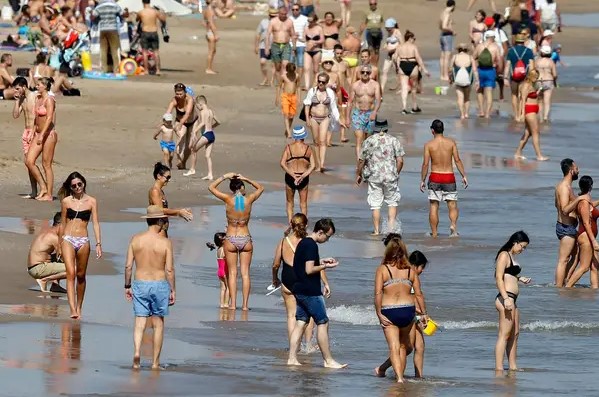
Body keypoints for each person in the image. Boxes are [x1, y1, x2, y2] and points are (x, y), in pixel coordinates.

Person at [287, 218, 346, 369]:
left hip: (299, 289)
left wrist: (322, 261)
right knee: (323, 322)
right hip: (310, 291)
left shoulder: (303, 242)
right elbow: (309, 269)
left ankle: (292, 358)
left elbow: (304, 263)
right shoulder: (311, 245)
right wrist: (326, 267)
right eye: (327, 236)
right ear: (320, 232)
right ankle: (328, 360)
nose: (327, 240)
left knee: (301, 322)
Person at [125, 205, 175, 370]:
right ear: (160, 221)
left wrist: (127, 285)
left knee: (140, 321)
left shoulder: (135, 239)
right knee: (158, 323)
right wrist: (173, 289)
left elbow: (128, 266)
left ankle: (137, 352)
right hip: (159, 283)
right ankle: (155, 363)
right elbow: (169, 269)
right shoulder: (165, 242)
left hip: (140, 282)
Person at [374, 236, 427, 383]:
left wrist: (378, 313)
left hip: (389, 311)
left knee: (394, 347)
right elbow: (418, 294)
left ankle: (399, 378)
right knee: (404, 346)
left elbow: (378, 293)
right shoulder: (411, 270)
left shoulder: (382, 269)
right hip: (407, 311)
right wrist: (424, 314)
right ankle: (401, 375)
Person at [209, 173, 264, 310]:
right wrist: (247, 178)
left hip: (231, 238)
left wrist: (225, 176)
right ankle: (245, 305)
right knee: (245, 274)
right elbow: (261, 188)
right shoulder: (249, 199)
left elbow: (211, 187)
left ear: (232, 189)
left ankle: (232, 305)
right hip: (245, 237)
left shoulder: (228, 199)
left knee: (232, 273)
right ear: (242, 187)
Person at [272, 213, 320, 351]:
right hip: (304, 279)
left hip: (287, 278)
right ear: (306, 225)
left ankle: (294, 346)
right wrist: (325, 282)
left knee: (291, 315)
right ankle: (308, 345)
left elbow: (275, 264)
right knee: (309, 314)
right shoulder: (308, 242)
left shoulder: (283, 242)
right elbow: (314, 264)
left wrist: (275, 279)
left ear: (291, 225)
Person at [57, 172, 102, 319]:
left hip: (83, 240)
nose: (77, 188)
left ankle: (79, 307)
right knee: (70, 273)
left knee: (81, 275)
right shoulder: (66, 201)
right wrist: (59, 242)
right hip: (68, 239)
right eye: (74, 186)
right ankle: (72, 310)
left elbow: (95, 222)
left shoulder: (92, 201)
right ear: (70, 187)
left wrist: (98, 243)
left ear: (84, 183)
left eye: (79, 184)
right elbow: (63, 222)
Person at [420, 119, 468, 238]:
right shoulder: (451, 143)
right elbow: (457, 160)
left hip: (435, 177)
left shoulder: (428, 145)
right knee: (452, 205)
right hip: (449, 177)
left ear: (432, 130)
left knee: (434, 206)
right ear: (443, 129)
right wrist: (464, 175)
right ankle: (453, 226)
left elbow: (425, 164)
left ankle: (435, 234)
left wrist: (422, 180)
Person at [356, 119, 404, 236]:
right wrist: (396, 172)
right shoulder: (394, 140)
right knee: (392, 202)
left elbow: (361, 160)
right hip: (390, 176)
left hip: (374, 176)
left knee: (375, 204)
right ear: (386, 128)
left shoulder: (369, 141)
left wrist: (359, 174)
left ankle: (377, 231)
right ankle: (391, 229)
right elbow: (400, 160)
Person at [494, 231, 531, 372]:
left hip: (512, 299)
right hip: (505, 298)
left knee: (515, 333)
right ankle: (499, 368)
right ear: (515, 242)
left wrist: (519, 278)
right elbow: (498, 278)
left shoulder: (512, 257)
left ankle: (513, 366)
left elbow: (508, 274)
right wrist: (506, 299)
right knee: (504, 335)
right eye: (522, 246)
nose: (522, 249)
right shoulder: (504, 255)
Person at [302, 72, 344, 172]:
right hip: (313, 118)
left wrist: (339, 120)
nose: (320, 83)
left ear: (326, 82)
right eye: (319, 81)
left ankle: (322, 164)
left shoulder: (330, 93)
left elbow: (333, 108)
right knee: (316, 142)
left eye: (323, 82)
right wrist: (307, 119)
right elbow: (307, 105)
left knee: (323, 141)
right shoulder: (312, 91)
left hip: (325, 118)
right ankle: (317, 164)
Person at [554, 159, 585, 287]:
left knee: (576, 255)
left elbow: (557, 204)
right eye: (577, 168)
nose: (578, 171)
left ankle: (564, 281)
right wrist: (579, 199)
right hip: (566, 227)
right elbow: (565, 209)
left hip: (568, 227)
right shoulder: (564, 187)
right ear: (571, 170)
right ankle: (559, 288)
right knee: (563, 260)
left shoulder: (566, 186)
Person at [26, 77, 57, 202]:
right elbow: (36, 119)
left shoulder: (50, 100)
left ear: (45, 86)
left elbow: (49, 119)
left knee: (46, 164)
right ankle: (43, 187)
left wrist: (42, 134)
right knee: (29, 161)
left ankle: (49, 194)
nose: (36, 87)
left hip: (48, 134)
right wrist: (32, 133)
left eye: (38, 85)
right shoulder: (38, 99)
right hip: (38, 133)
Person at [566, 176, 599, 288]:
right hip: (586, 237)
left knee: (595, 266)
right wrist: (594, 241)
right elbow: (586, 224)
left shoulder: (586, 199)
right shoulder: (584, 202)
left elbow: (592, 206)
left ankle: (595, 290)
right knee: (584, 267)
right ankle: (567, 288)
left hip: (589, 236)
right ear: (590, 186)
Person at [148, 163, 193, 238]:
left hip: (163, 227)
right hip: (158, 229)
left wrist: (181, 212)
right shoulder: (154, 191)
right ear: (159, 176)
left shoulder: (160, 191)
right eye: (167, 177)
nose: (168, 180)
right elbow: (160, 211)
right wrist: (178, 212)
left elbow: (164, 210)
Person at [280, 126, 316, 222]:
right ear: (303, 136)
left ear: (295, 136)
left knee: (289, 202)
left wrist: (293, 175)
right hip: (303, 177)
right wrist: (302, 176)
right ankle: (303, 224)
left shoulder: (288, 148)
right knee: (303, 203)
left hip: (290, 177)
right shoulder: (308, 148)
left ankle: (290, 223)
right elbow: (313, 166)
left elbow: (282, 163)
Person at [347, 64, 382, 161]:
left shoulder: (375, 85)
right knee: (359, 138)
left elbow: (378, 100)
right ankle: (359, 161)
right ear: (360, 73)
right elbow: (350, 101)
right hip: (358, 114)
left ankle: (367, 159)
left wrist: (374, 112)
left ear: (370, 73)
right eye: (363, 72)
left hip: (370, 113)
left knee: (369, 139)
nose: (365, 74)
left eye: (367, 72)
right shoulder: (355, 85)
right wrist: (347, 118)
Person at [12, 77, 39, 199]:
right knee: (28, 163)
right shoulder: (22, 99)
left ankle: (43, 187)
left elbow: (37, 116)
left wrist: (34, 131)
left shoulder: (34, 96)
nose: (16, 91)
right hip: (26, 132)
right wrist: (17, 101)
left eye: (17, 89)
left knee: (30, 161)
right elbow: (15, 115)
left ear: (24, 86)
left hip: (34, 131)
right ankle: (34, 191)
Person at [27, 211, 67, 293]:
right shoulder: (54, 237)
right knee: (73, 269)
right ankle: (44, 280)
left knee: (58, 258)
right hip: (38, 268)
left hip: (33, 267)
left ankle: (55, 285)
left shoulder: (47, 232)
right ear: (61, 225)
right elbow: (63, 256)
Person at [514, 70, 548, 161]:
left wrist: (539, 89)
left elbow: (533, 96)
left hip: (533, 110)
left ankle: (518, 152)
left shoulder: (531, 85)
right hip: (529, 111)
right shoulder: (525, 86)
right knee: (535, 133)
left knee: (527, 133)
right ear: (531, 76)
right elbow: (522, 100)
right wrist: (521, 114)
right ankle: (539, 155)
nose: (536, 79)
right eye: (535, 77)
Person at [184, 95, 220, 179]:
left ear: (200, 104)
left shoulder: (203, 111)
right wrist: (212, 126)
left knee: (193, 149)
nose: (197, 108)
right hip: (211, 134)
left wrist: (194, 131)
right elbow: (219, 122)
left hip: (206, 135)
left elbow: (203, 123)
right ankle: (210, 174)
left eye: (197, 106)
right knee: (207, 156)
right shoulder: (211, 111)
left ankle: (192, 169)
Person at [394, 31, 429, 115]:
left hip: (403, 65)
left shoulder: (400, 47)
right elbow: (418, 58)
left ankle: (404, 108)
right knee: (413, 88)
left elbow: (395, 57)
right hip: (412, 65)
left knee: (404, 88)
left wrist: (397, 67)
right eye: (414, 38)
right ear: (410, 38)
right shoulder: (413, 47)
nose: (414, 40)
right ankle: (414, 107)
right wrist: (424, 70)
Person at [166, 83, 198, 169]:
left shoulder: (189, 99)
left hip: (193, 121)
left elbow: (187, 114)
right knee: (180, 138)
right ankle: (179, 159)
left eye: (181, 94)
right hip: (180, 121)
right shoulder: (174, 100)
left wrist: (180, 124)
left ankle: (183, 162)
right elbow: (168, 113)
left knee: (190, 145)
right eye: (177, 94)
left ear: (185, 92)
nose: (179, 96)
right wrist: (165, 122)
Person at [504, 34, 535, 120]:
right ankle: (522, 115)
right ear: (524, 41)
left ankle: (516, 115)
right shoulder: (529, 51)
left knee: (514, 95)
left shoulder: (511, 51)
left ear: (515, 41)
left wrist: (505, 78)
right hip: (524, 78)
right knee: (523, 96)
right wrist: (532, 80)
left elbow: (507, 65)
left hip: (513, 77)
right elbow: (532, 67)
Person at [473, 30, 501, 118]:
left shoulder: (479, 46)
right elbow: (499, 60)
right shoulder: (495, 47)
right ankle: (487, 114)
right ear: (492, 37)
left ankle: (481, 111)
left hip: (480, 70)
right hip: (490, 70)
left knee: (480, 91)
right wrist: (499, 71)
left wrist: (475, 67)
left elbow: (473, 57)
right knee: (489, 92)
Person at [91, 0, 123, 73]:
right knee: (114, 49)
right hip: (113, 29)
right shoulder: (115, 5)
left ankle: (104, 69)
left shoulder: (99, 6)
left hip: (103, 29)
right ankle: (116, 70)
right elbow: (121, 14)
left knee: (103, 50)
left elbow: (94, 15)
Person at [265, 7, 296, 81]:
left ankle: (284, 82)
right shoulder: (273, 21)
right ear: (278, 13)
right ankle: (279, 82)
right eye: (282, 14)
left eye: (285, 14)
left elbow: (293, 35)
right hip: (275, 45)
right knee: (278, 67)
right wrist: (267, 47)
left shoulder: (289, 22)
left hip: (286, 45)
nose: (283, 16)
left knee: (285, 64)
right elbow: (267, 35)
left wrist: (294, 47)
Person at [136, 0, 166, 75]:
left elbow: (137, 19)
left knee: (144, 52)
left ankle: (146, 70)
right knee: (156, 52)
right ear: (150, 2)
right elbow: (163, 20)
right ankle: (158, 70)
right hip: (154, 32)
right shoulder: (155, 11)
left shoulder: (141, 12)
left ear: (142, 2)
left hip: (145, 32)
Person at [451, 44, 478, 120]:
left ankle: (462, 114)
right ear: (466, 50)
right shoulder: (470, 57)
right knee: (467, 97)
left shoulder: (455, 57)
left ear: (459, 49)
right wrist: (477, 81)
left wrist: (450, 79)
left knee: (460, 97)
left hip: (458, 79)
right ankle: (466, 113)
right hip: (468, 80)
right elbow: (474, 70)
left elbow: (450, 68)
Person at [276, 63, 300, 138]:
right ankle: (289, 133)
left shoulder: (297, 76)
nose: (291, 73)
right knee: (286, 114)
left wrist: (299, 98)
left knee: (292, 116)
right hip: (285, 96)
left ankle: (287, 129)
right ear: (287, 70)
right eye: (290, 72)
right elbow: (279, 87)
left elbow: (298, 87)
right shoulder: (283, 76)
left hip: (293, 96)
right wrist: (277, 97)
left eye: (292, 72)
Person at [302, 13, 323, 91]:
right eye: (308, 21)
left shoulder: (319, 28)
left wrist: (315, 42)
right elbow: (304, 39)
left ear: (315, 21)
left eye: (311, 21)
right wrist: (297, 38)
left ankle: (314, 85)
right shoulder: (306, 28)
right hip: (307, 51)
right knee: (306, 68)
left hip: (316, 51)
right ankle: (307, 86)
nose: (309, 23)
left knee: (315, 70)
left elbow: (322, 40)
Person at [255, 9, 277, 86]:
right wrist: (256, 46)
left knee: (274, 64)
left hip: (275, 45)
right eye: (271, 16)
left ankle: (272, 80)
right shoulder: (263, 22)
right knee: (262, 62)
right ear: (269, 15)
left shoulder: (279, 22)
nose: (273, 17)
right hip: (263, 45)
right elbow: (258, 34)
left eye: (274, 16)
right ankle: (265, 78)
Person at [208, 232, 229, 308]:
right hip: (225, 271)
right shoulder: (225, 249)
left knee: (223, 288)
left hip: (219, 271)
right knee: (228, 288)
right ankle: (226, 303)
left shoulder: (219, 249)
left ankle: (221, 304)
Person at [380, 18, 402, 92]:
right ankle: (382, 88)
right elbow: (388, 41)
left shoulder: (397, 32)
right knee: (384, 71)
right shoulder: (389, 33)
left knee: (398, 71)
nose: (388, 30)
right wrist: (385, 46)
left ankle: (401, 87)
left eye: (389, 29)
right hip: (389, 55)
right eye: (387, 29)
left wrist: (393, 49)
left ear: (393, 27)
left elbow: (402, 44)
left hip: (396, 55)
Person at [536, 45, 557, 123]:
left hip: (539, 81)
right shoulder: (551, 61)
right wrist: (555, 81)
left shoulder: (537, 61)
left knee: (540, 100)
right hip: (548, 80)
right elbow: (555, 74)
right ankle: (545, 117)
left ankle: (540, 117)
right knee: (547, 100)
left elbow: (534, 72)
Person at [289, 6, 307, 87]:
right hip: (290, 43)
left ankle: (298, 80)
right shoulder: (289, 19)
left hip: (301, 44)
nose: (295, 11)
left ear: (300, 10)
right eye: (293, 9)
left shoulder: (305, 19)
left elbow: (306, 32)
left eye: (296, 9)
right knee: (291, 63)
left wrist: (300, 38)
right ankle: (291, 79)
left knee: (300, 63)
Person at [360, 0, 384, 64]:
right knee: (370, 49)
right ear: (369, 4)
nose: (373, 5)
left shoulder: (380, 12)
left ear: (376, 4)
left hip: (378, 32)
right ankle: (371, 64)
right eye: (371, 4)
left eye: (374, 4)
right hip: (369, 32)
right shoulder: (366, 12)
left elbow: (382, 22)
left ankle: (375, 65)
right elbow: (363, 23)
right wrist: (360, 34)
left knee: (377, 50)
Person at [439, 0, 456, 82]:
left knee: (442, 57)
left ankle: (442, 75)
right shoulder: (448, 14)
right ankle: (445, 75)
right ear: (453, 6)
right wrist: (452, 31)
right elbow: (444, 26)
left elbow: (440, 25)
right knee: (447, 57)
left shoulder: (442, 12)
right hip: (447, 36)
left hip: (442, 35)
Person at [204, 0, 218, 74]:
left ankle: (210, 68)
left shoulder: (208, 9)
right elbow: (211, 23)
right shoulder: (209, 10)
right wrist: (216, 34)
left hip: (209, 32)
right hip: (211, 33)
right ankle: (208, 68)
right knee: (211, 51)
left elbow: (204, 22)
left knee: (213, 51)